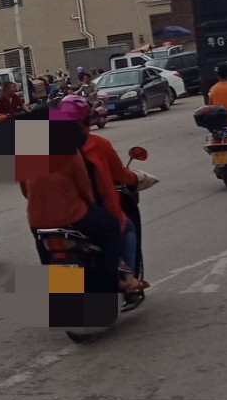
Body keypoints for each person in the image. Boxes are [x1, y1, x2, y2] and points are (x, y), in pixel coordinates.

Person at [18, 104, 141, 295]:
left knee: (45, 252)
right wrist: (88, 205)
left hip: (37, 220)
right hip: (72, 215)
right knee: (112, 227)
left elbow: (25, 191)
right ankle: (116, 280)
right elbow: (84, 186)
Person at [59, 97, 148, 293]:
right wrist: (136, 178)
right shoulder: (97, 144)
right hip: (85, 212)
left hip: (50, 218)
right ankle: (128, 280)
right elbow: (116, 175)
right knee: (125, 228)